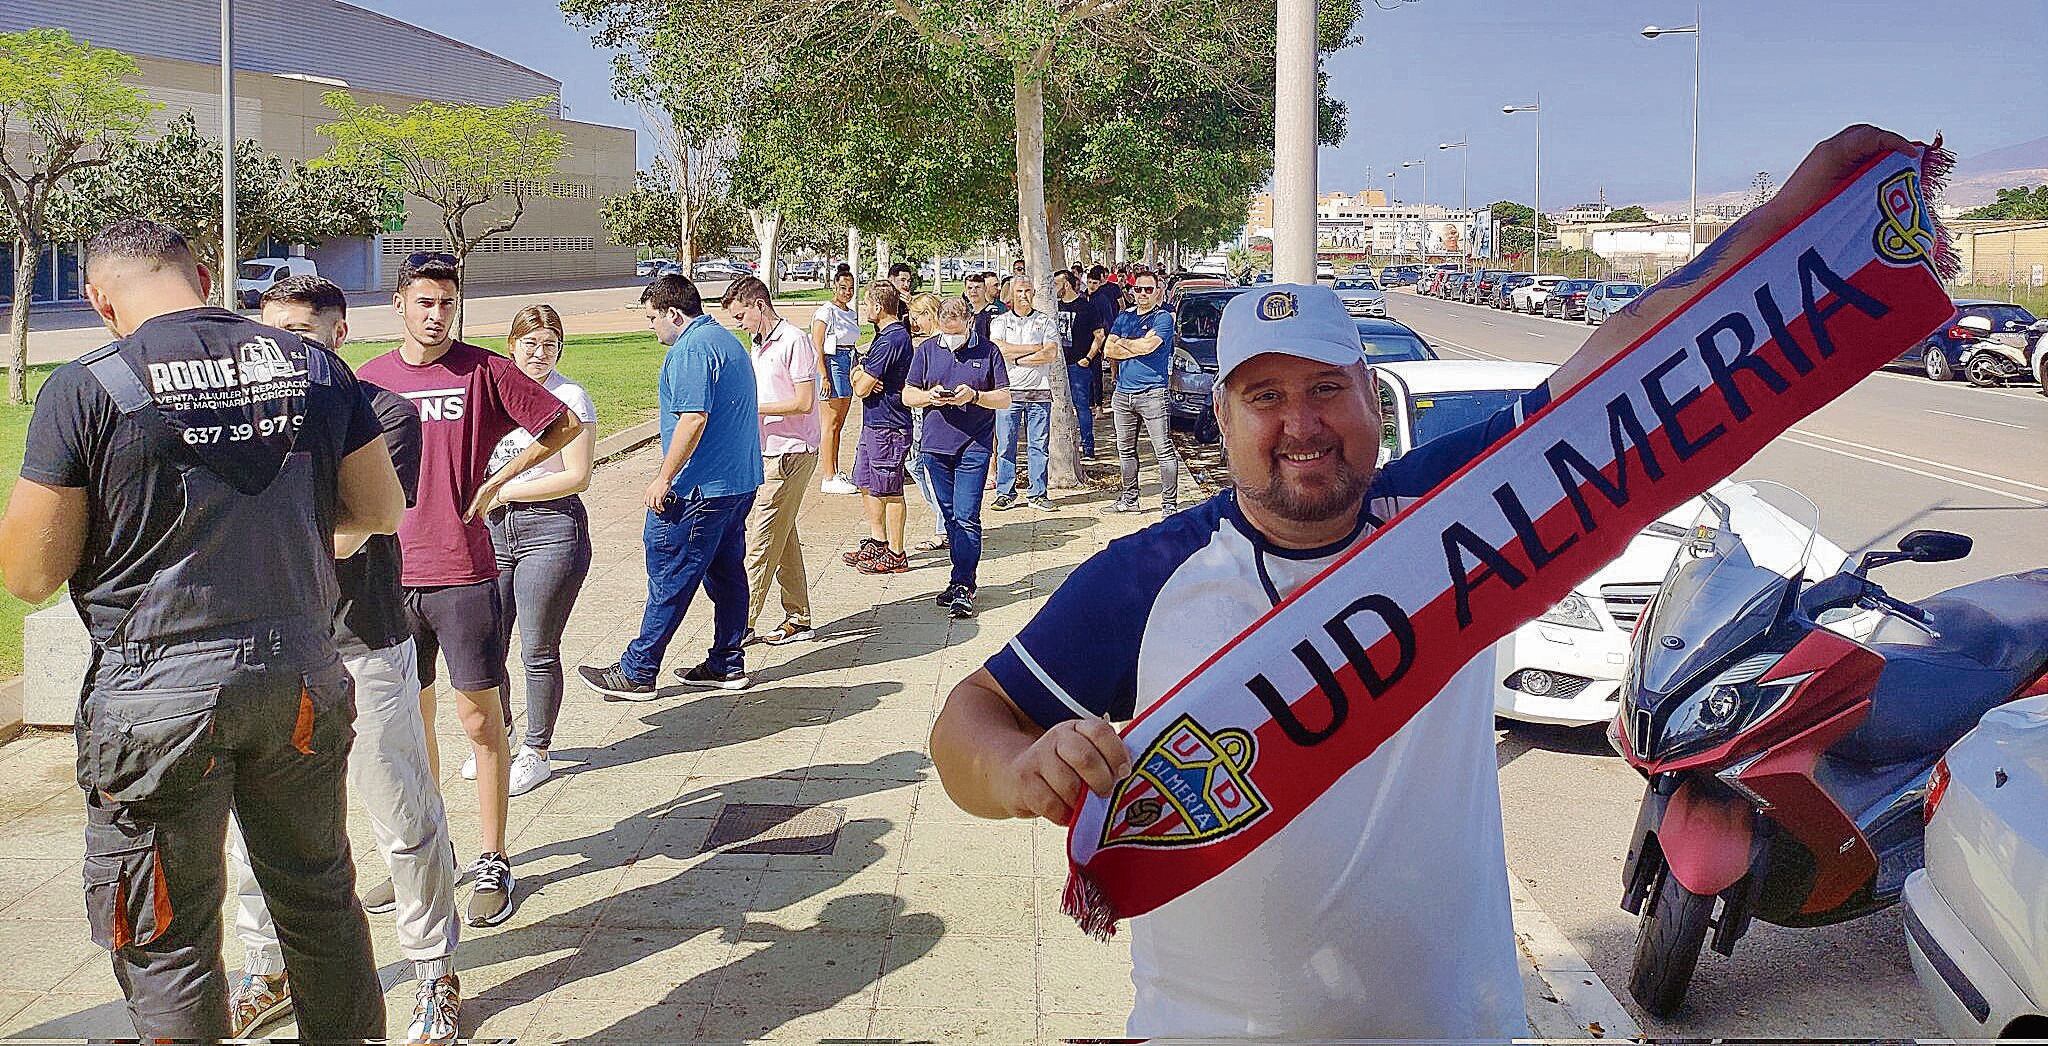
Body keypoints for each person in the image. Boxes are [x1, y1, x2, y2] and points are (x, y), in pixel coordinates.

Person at [924, 120, 1922, 1045]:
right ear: (1220, 422)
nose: (1299, 423)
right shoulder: (1147, 575)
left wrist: (1790, 210)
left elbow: (1619, 362)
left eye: (1325, 387)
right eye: (1263, 397)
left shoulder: (1456, 515)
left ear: (1369, 399)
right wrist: (1016, 768)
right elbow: (967, 716)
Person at [0, 218, 400, 1039]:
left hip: (158, 702)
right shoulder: (317, 369)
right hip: (298, 680)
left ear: (98, 299)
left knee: (168, 935)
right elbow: (380, 509)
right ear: (206, 272)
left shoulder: (87, 387)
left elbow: (30, 575)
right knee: (319, 898)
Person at [230, 275, 461, 1042]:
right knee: (253, 830)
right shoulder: (239, 421)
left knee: (402, 815)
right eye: (270, 334)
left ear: (337, 335)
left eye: (300, 333)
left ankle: (434, 972)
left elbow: (346, 533)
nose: (280, 351)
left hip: (362, 643)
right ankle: (268, 974)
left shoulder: (382, 414)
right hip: (266, 651)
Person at [357, 252, 585, 928]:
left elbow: (561, 427)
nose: (436, 315)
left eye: (447, 304)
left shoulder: (485, 370)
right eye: (424, 302)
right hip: (390, 577)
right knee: (409, 725)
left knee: (480, 723)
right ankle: (431, 852)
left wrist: (494, 485)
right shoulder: (369, 379)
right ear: (400, 302)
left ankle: (493, 857)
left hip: (463, 572)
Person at [579, 274, 763, 697]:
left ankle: (638, 670)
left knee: (670, 572)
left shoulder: (691, 350)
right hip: (737, 484)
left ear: (673, 314)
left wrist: (663, 477)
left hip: (698, 489)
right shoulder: (725, 341)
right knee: (727, 574)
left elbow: (693, 418)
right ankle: (727, 662)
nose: (651, 327)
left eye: (653, 318)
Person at [481, 305, 597, 798]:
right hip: (494, 531)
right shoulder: (494, 394)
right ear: (511, 344)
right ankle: (498, 736)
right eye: (530, 342)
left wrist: (503, 491)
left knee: (537, 648)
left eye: (550, 344)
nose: (539, 353)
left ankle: (537, 749)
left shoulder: (569, 397)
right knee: (488, 643)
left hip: (550, 529)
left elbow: (578, 476)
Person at [724, 276, 820, 645]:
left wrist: (752, 409)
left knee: (762, 540)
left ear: (759, 305)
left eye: (741, 316)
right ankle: (798, 616)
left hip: (792, 453)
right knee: (782, 534)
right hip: (767, 451)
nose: (740, 324)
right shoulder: (758, 344)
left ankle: (737, 628)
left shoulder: (794, 341)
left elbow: (803, 401)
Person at [903, 297, 1011, 619]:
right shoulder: (926, 351)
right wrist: (929, 397)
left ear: (969, 322)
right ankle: (957, 578)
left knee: (966, 516)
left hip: (974, 445)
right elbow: (908, 394)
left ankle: (965, 584)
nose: (950, 340)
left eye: (956, 333)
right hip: (936, 447)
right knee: (949, 517)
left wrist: (975, 395)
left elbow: (1004, 397)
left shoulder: (988, 351)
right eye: (945, 333)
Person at [843, 280, 915, 574]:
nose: (863, 308)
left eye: (866, 303)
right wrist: (859, 374)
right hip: (873, 423)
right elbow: (857, 377)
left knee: (890, 488)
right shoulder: (881, 337)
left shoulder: (892, 339)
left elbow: (861, 388)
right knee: (866, 482)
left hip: (890, 425)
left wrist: (861, 377)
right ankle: (878, 540)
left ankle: (897, 553)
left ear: (877, 306)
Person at [1102, 271, 1180, 516]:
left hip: (1153, 393)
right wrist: (1134, 345)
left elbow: (1150, 346)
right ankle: (1129, 499)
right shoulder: (1124, 316)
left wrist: (1125, 343)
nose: (1143, 294)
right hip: (1123, 394)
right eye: (1139, 289)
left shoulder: (1163, 318)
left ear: (1158, 291)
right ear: (1132, 290)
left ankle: (1169, 506)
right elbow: (1108, 349)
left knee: (1164, 451)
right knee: (1125, 451)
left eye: (1149, 289)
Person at [989, 274, 1060, 511]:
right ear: (1010, 295)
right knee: (1006, 444)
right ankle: (1005, 492)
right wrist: (1033, 350)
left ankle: (1038, 493)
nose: (1023, 296)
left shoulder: (1045, 321)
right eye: (1019, 291)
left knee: (1038, 444)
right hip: (1009, 392)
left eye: (1028, 291)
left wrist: (1016, 356)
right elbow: (999, 350)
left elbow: (1050, 353)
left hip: (1039, 392)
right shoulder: (999, 322)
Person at [901, 291, 952, 553]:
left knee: (930, 470)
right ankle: (946, 520)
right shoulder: (928, 344)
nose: (914, 323)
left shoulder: (934, 346)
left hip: (929, 414)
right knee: (916, 464)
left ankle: (944, 528)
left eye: (916, 317)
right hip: (920, 412)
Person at [811, 267, 862, 495]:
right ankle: (828, 475)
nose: (847, 292)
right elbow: (817, 346)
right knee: (830, 423)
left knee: (839, 423)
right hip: (832, 365)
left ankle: (835, 470)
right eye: (843, 288)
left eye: (851, 289)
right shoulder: (825, 312)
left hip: (849, 362)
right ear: (834, 286)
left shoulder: (849, 313)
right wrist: (823, 375)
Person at [1055, 270, 1101, 457]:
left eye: (1056, 284)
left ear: (1066, 285)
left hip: (1078, 365)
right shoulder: (1053, 306)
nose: (1053, 288)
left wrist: (1088, 358)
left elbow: (1099, 335)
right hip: (1057, 365)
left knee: (1081, 406)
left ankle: (1088, 446)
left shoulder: (1086, 307)